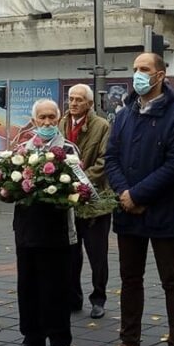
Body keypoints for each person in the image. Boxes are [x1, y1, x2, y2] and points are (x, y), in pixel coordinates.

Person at [101, 53, 174, 346]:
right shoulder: (124, 114)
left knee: (172, 281)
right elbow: (111, 157)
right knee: (130, 279)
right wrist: (125, 193)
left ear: (160, 75)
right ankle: (130, 344)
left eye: (144, 69)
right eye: (135, 69)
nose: (138, 75)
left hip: (162, 210)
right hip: (128, 211)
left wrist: (139, 195)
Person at [9, 99, 80, 346]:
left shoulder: (68, 149)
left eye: (51, 117)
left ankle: (59, 339)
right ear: (34, 120)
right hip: (26, 227)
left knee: (55, 286)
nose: (47, 122)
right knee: (27, 285)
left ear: (58, 119)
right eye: (42, 118)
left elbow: (79, 186)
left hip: (57, 228)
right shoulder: (22, 149)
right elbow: (10, 184)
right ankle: (32, 337)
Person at [61, 84, 112, 319]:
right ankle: (73, 297)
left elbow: (104, 160)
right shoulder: (61, 123)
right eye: (71, 98)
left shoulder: (102, 126)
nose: (73, 103)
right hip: (68, 200)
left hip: (94, 200)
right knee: (71, 253)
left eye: (79, 100)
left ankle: (98, 298)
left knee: (97, 254)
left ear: (89, 104)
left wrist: (81, 181)